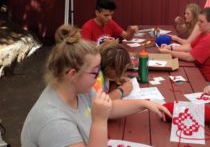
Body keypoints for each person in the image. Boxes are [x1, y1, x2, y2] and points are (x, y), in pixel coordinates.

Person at [21, 24, 170, 147]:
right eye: (95, 72)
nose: (99, 76)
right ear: (73, 74)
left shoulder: (77, 90)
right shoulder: (54, 123)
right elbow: (102, 115)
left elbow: (109, 107)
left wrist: (144, 103)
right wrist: (99, 121)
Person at [159, 7, 210, 83]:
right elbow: (189, 46)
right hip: (200, 73)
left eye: (201, 21)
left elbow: (190, 57)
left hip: (209, 81)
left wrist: (168, 53)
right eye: (198, 21)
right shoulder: (205, 33)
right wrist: (170, 48)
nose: (198, 24)